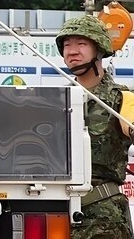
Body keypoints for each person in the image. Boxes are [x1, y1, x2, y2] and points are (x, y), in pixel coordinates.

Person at [55, 15, 134, 239]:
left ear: (99, 49)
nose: (72, 51)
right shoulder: (57, 100)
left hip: (103, 218)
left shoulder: (122, 99)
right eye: (67, 45)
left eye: (81, 44)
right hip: (56, 214)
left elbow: (131, 123)